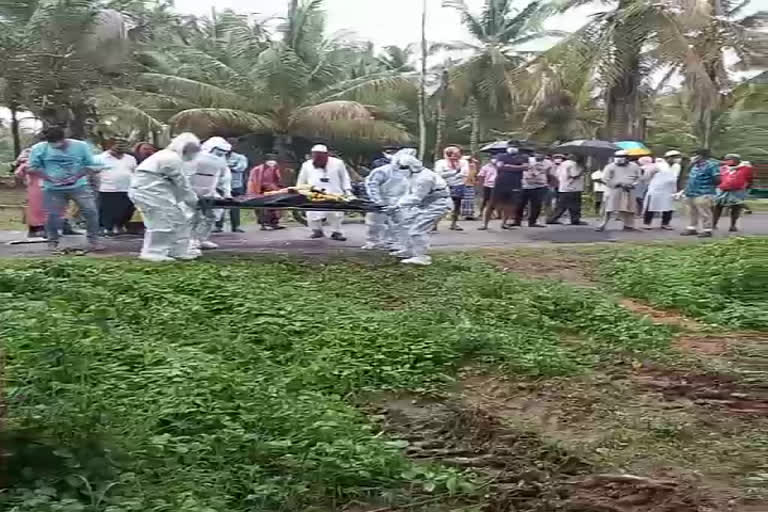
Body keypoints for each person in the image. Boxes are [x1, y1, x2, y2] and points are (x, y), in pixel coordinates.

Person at [27, 126, 103, 252]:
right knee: (52, 215)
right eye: (52, 143)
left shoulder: (81, 146)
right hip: (52, 188)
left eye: (59, 142)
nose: (56, 146)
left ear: (64, 138)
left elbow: (92, 166)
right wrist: (48, 178)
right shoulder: (39, 148)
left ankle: (94, 240)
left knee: (90, 211)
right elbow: (31, 168)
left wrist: (76, 176)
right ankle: (52, 241)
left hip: (79, 186)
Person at [129, 132, 200, 262]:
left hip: (158, 192)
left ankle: (178, 250)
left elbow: (178, 185)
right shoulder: (170, 158)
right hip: (149, 193)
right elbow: (182, 183)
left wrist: (188, 200)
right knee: (161, 222)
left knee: (179, 220)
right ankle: (152, 252)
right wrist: (192, 200)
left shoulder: (171, 157)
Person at [392, 155, 452, 265]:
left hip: (437, 205)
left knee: (417, 230)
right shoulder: (413, 175)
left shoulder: (424, 178)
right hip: (425, 204)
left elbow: (417, 197)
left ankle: (421, 257)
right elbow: (409, 193)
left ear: (410, 167)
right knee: (405, 224)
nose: (400, 171)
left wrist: (398, 205)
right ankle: (408, 250)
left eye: (401, 168)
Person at [297, 144, 352, 241]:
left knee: (335, 214)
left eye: (320, 154)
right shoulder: (307, 165)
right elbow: (302, 179)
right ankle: (317, 231)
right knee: (313, 213)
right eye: (315, 154)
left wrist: (347, 190)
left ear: (326, 154)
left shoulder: (338, 163)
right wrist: (299, 190)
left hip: (334, 192)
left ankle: (336, 232)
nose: (318, 157)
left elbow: (344, 177)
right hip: (314, 193)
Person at [363, 148, 413, 250]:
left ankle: (392, 243)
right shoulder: (383, 171)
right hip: (381, 200)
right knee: (374, 224)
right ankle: (373, 242)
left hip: (399, 202)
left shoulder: (411, 172)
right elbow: (372, 185)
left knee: (398, 224)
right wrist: (377, 200)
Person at [188, 137, 232, 251]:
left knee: (212, 214)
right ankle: (190, 240)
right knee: (192, 216)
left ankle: (202, 239)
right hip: (189, 191)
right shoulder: (192, 159)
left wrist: (227, 193)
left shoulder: (221, 163)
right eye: (218, 151)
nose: (220, 155)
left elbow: (225, 179)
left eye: (223, 153)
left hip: (209, 192)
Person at [479, 148, 526, 230]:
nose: (513, 148)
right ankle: (484, 224)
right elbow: (500, 167)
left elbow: (526, 167)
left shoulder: (523, 157)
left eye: (515, 146)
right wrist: (518, 167)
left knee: (510, 205)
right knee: (491, 204)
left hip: (515, 183)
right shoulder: (501, 156)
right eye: (511, 146)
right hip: (500, 183)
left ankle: (504, 223)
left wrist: (508, 166)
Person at [98, 138, 137, 236]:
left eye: (123, 145)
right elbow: (92, 173)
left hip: (127, 189)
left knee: (126, 210)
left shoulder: (130, 158)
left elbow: (135, 172)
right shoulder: (100, 158)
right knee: (108, 211)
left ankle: (119, 227)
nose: (120, 147)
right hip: (108, 189)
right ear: (110, 145)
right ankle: (107, 229)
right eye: (117, 144)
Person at [596, 150, 641, 232]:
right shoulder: (610, 166)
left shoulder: (634, 166)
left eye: (622, 157)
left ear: (628, 158)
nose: (620, 159)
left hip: (629, 190)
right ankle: (603, 224)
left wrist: (633, 185)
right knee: (609, 207)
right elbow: (605, 179)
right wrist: (617, 184)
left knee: (630, 207)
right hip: (614, 190)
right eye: (618, 157)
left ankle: (628, 225)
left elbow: (639, 178)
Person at [680, 148, 721, 238]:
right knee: (691, 211)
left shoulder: (712, 165)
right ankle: (692, 228)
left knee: (704, 212)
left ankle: (707, 230)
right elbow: (687, 176)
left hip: (704, 192)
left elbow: (718, 179)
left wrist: (709, 185)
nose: (693, 157)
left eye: (695, 154)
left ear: (701, 156)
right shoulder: (695, 165)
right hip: (691, 192)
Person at [713, 154, 753, 232]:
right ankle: (713, 224)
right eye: (726, 160)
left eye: (729, 160)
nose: (727, 161)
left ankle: (733, 225)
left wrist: (746, 188)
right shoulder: (723, 168)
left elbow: (749, 179)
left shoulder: (746, 168)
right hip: (722, 189)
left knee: (736, 207)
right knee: (718, 206)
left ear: (737, 160)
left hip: (737, 190)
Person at [214, 144, 249, 233]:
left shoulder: (240, 157)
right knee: (219, 205)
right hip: (220, 185)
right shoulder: (218, 157)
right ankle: (218, 226)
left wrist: (226, 168)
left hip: (235, 185)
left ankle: (236, 226)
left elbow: (241, 168)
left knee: (235, 206)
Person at [434, 146, 469, 231]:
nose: (455, 156)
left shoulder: (463, 162)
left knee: (457, 205)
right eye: (452, 154)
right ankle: (434, 224)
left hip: (458, 185)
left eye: (457, 154)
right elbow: (439, 174)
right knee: (440, 205)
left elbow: (464, 173)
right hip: (443, 186)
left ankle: (454, 223)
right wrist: (455, 172)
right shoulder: (440, 163)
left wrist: (449, 173)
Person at [14, 149, 46, 238]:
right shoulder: (28, 160)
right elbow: (18, 173)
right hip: (34, 185)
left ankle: (43, 228)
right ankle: (35, 229)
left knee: (44, 207)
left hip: (44, 185)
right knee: (35, 207)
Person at [514, 152, 552, 227]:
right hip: (526, 185)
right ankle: (517, 221)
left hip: (540, 186)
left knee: (537, 205)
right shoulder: (528, 160)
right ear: (534, 154)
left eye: (542, 154)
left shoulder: (548, 163)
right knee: (520, 204)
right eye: (538, 153)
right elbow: (521, 168)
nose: (540, 155)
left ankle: (532, 222)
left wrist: (549, 183)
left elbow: (548, 173)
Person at [547, 154, 587, 226]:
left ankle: (552, 219)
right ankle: (575, 220)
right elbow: (574, 175)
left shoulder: (562, 164)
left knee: (561, 205)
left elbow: (557, 174)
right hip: (573, 188)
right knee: (575, 205)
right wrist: (582, 169)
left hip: (563, 187)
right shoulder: (573, 164)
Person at [247, 156, 285, 230]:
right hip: (260, 190)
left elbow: (278, 180)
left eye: (273, 162)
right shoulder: (257, 169)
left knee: (275, 208)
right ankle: (263, 224)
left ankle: (274, 223)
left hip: (272, 190)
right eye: (270, 162)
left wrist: (278, 188)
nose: (272, 164)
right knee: (262, 208)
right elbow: (253, 181)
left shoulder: (276, 168)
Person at [643, 158, 677, 230]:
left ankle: (665, 223)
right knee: (650, 207)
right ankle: (647, 223)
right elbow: (646, 177)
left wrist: (674, 191)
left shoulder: (673, 169)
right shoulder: (653, 168)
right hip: (655, 190)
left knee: (668, 208)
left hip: (668, 191)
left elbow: (674, 180)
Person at [460, 155, 479, 220]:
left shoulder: (472, 167)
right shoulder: (464, 167)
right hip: (465, 184)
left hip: (470, 184)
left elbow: (474, 175)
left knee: (469, 200)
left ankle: (469, 214)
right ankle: (465, 214)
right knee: (465, 200)